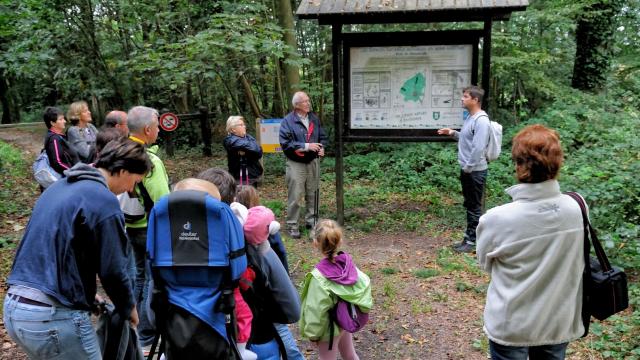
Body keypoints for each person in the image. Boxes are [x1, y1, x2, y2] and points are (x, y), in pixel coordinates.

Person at [3, 138, 152, 360]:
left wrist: (88, 294)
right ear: (122, 171)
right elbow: (113, 270)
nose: (131, 189)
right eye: (134, 182)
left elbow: (55, 248)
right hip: (51, 318)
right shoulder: (104, 201)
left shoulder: (60, 188)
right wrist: (129, 308)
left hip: (16, 310)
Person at [476, 124, 585, 360]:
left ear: (518, 164)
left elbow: (485, 264)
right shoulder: (578, 207)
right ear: (558, 163)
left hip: (511, 324)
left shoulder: (496, 218)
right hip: (558, 321)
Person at [234, 185, 305, 360]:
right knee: (283, 336)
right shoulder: (264, 231)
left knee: (284, 339)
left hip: (261, 299)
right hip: (269, 296)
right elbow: (281, 254)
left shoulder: (251, 232)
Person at [125, 105, 171, 349]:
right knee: (153, 281)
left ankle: (131, 325)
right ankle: (146, 335)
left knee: (137, 276)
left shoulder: (118, 151)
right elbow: (163, 202)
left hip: (128, 225)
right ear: (147, 129)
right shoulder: (149, 160)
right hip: (150, 227)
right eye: (156, 125)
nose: (158, 129)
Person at [299, 219, 372, 360]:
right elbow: (363, 284)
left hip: (329, 330)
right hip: (344, 320)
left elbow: (316, 310)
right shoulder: (349, 266)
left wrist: (314, 335)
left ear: (315, 243)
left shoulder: (318, 277)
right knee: (350, 355)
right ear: (340, 241)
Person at [437, 85, 491, 253]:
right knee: (470, 205)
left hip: (474, 170)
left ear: (475, 100)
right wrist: (452, 133)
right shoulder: (470, 118)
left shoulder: (481, 120)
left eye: (466, 96)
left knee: (474, 206)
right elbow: (468, 139)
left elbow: (478, 147)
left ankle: (473, 241)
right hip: (469, 169)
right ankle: (468, 238)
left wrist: (468, 167)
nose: (462, 99)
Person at [279, 91, 328, 239]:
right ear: (297, 105)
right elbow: (285, 144)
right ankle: (292, 225)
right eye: (305, 101)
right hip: (296, 163)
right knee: (296, 194)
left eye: (308, 100)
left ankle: (312, 221)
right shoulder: (287, 121)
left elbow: (323, 136)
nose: (308, 103)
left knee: (313, 192)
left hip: (313, 161)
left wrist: (322, 148)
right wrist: (307, 146)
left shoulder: (314, 118)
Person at [223, 116, 264, 187]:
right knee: (241, 197)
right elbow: (254, 149)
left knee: (252, 197)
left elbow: (259, 151)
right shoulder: (230, 140)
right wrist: (250, 151)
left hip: (252, 176)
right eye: (241, 125)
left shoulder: (248, 137)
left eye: (244, 124)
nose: (244, 126)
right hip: (240, 178)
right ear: (233, 129)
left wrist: (247, 151)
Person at [42, 106, 79, 177]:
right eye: (61, 119)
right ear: (52, 123)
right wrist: (73, 171)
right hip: (69, 177)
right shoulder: (54, 139)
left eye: (63, 118)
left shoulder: (58, 136)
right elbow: (57, 163)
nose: (64, 121)